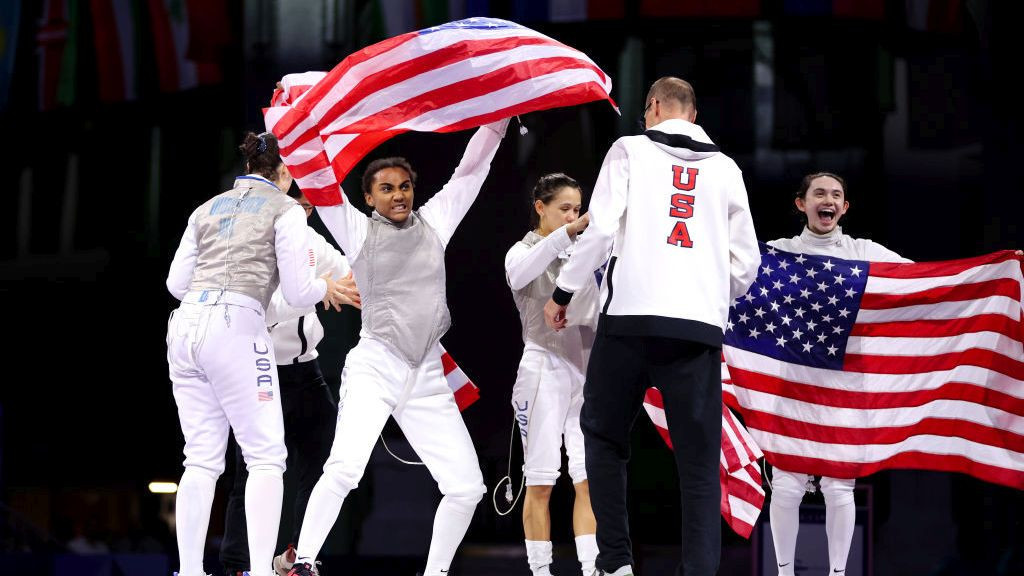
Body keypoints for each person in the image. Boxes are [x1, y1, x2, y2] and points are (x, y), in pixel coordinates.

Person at [543, 77, 760, 576]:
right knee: (700, 462)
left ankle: (616, 562)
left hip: (630, 322)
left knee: (603, 435)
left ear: (655, 107)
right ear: (694, 113)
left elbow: (599, 230)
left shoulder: (630, 150)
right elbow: (745, 265)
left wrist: (564, 291)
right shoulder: (727, 169)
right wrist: (703, 292)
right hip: (697, 330)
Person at [286, 118, 510, 576]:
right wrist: (297, 123)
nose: (398, 195)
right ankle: (301, 561)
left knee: (467, 488)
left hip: (427, 374)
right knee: (345, 469)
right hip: (376, 365)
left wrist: (500, 113)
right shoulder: (357, 231)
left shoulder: (435, 223)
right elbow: (322, 182)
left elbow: (472, 169)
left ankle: (435, 573)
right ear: (369, 198)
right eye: (386, 188)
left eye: (405, 186)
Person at [166, 131, 348, 576]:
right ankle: (262, 573)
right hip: (236, 329)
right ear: (284, 172)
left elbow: (174, 284)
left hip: (185, 326)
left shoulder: (204, 208)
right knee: (266, 457)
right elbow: (302, 290)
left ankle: (190, 571)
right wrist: (326, 288)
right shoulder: (286, 210)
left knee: (201, 459)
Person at [765, 172, 910, 576]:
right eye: (819, 193)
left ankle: (837, 574)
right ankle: (784, 572)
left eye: (836, 195)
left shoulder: (862, 250)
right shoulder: (779, 253)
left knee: (838, 484)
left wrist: (978, 278)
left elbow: (915, 280)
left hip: (844, 384)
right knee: (788, 482)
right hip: (791, 382)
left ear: (844, 208)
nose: (827, 200)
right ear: (801, 203)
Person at [219, 189, 360, 576]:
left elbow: (350, 272)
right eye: (299, 206)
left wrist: (367, 285)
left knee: (328, 462)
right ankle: (237, 565)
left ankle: (296, 556)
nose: (305, 213)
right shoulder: (254, 248)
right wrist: (317, 292)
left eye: (309, 207)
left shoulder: (312, 243)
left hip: (306, 369)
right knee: (252, 471)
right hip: (259, 372)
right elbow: (260, 307)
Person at [505, 173, 600, 576]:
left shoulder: (584, 253)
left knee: (588, 479)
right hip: (542, 368)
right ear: (540, 207)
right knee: (541, 482)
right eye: (565, 209)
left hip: (586, 373)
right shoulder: (520, 251)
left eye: (578, 209)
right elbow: (520, 275)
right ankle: (540, 571)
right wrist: (568, 235)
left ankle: (593, 567)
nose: (573, 217)